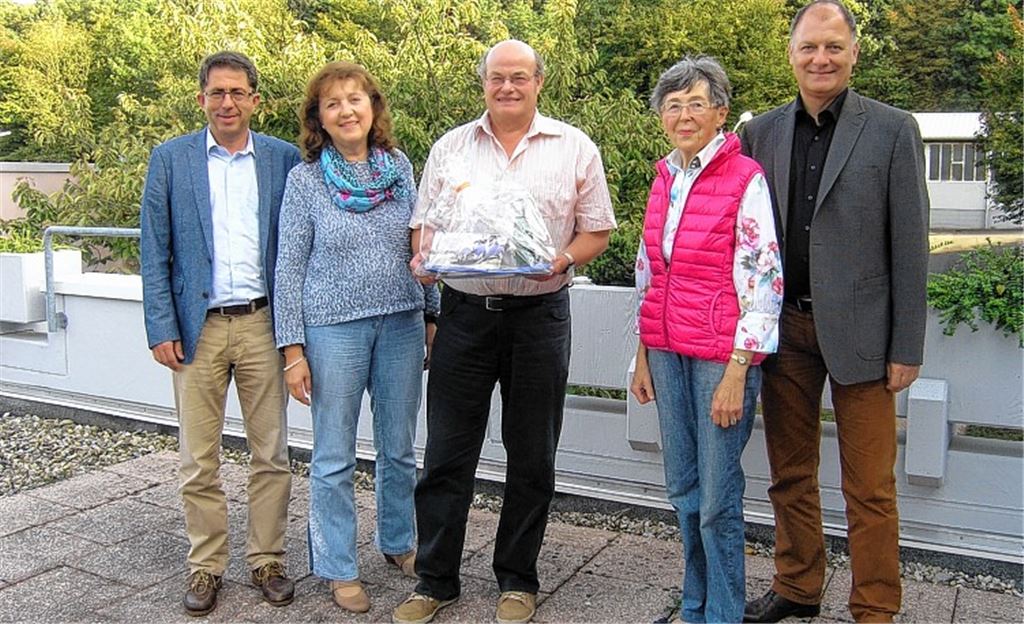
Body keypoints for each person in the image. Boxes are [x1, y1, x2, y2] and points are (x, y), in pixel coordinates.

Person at [391, 39, 616, 624]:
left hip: (539, 318)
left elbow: (598, 231)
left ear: (539, 82)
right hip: (465, 316)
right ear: (483, 83)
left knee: (532, 454)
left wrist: (562, 260)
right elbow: (425, 229)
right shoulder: (451, 147)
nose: (507, 87)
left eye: (519, 77)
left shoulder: (573, 147)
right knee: (445, 453)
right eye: (497, 78)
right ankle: (434, 581)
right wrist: (426, 258)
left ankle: (518, 579)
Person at [739, 2, 930, 622]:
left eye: (834, 47)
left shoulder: (893, 129)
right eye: (809, 47)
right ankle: (797, 586)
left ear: (853, 52)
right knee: (789, 474)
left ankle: (875, 606)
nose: (821, 59)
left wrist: (907, 345)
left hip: (865, 335)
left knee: (870, 488)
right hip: (784, 329)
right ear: (791, 53)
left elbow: (910, 243)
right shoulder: (759, 133)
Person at [273, 61, 439, 613]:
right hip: (332, 330)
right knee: (335, 454)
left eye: (355, 99)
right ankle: (338, 565)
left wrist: (432, 314)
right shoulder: (305, 179)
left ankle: (397, 541)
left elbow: (422, 248)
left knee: (397, 447)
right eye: (333, 103)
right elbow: (288, 268)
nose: (346, 110)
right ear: (319, 119)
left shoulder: (399, 167)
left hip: (401, 321)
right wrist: (292, 350)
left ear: (373, 108)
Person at [140, 51, 301, 617]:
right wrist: (160, 324)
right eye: (217, 93)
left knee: (272, 453)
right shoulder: (170, 160)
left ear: (255, 100)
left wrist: (297, 333)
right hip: (196, 329)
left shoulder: (283, 159)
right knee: (197, 459)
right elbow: (153, 249)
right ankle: (206, 567)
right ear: (202, 98)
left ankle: (267, 560)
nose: (227, 102)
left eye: (238, 92)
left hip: (263, 323)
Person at [629, 55, 783, 624]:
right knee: (683, 489)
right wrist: (641, 356)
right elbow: (650, 275)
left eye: (697, 103)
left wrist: (739, 371)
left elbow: (763, 278)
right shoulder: (664, 176)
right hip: (667, 352)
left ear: (721, 112)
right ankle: (694, 605)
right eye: (673, 105)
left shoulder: (745, 179)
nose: (684, 114)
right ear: (662, 118)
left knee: (717, 498)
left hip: (722, 357)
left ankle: (722, 614)